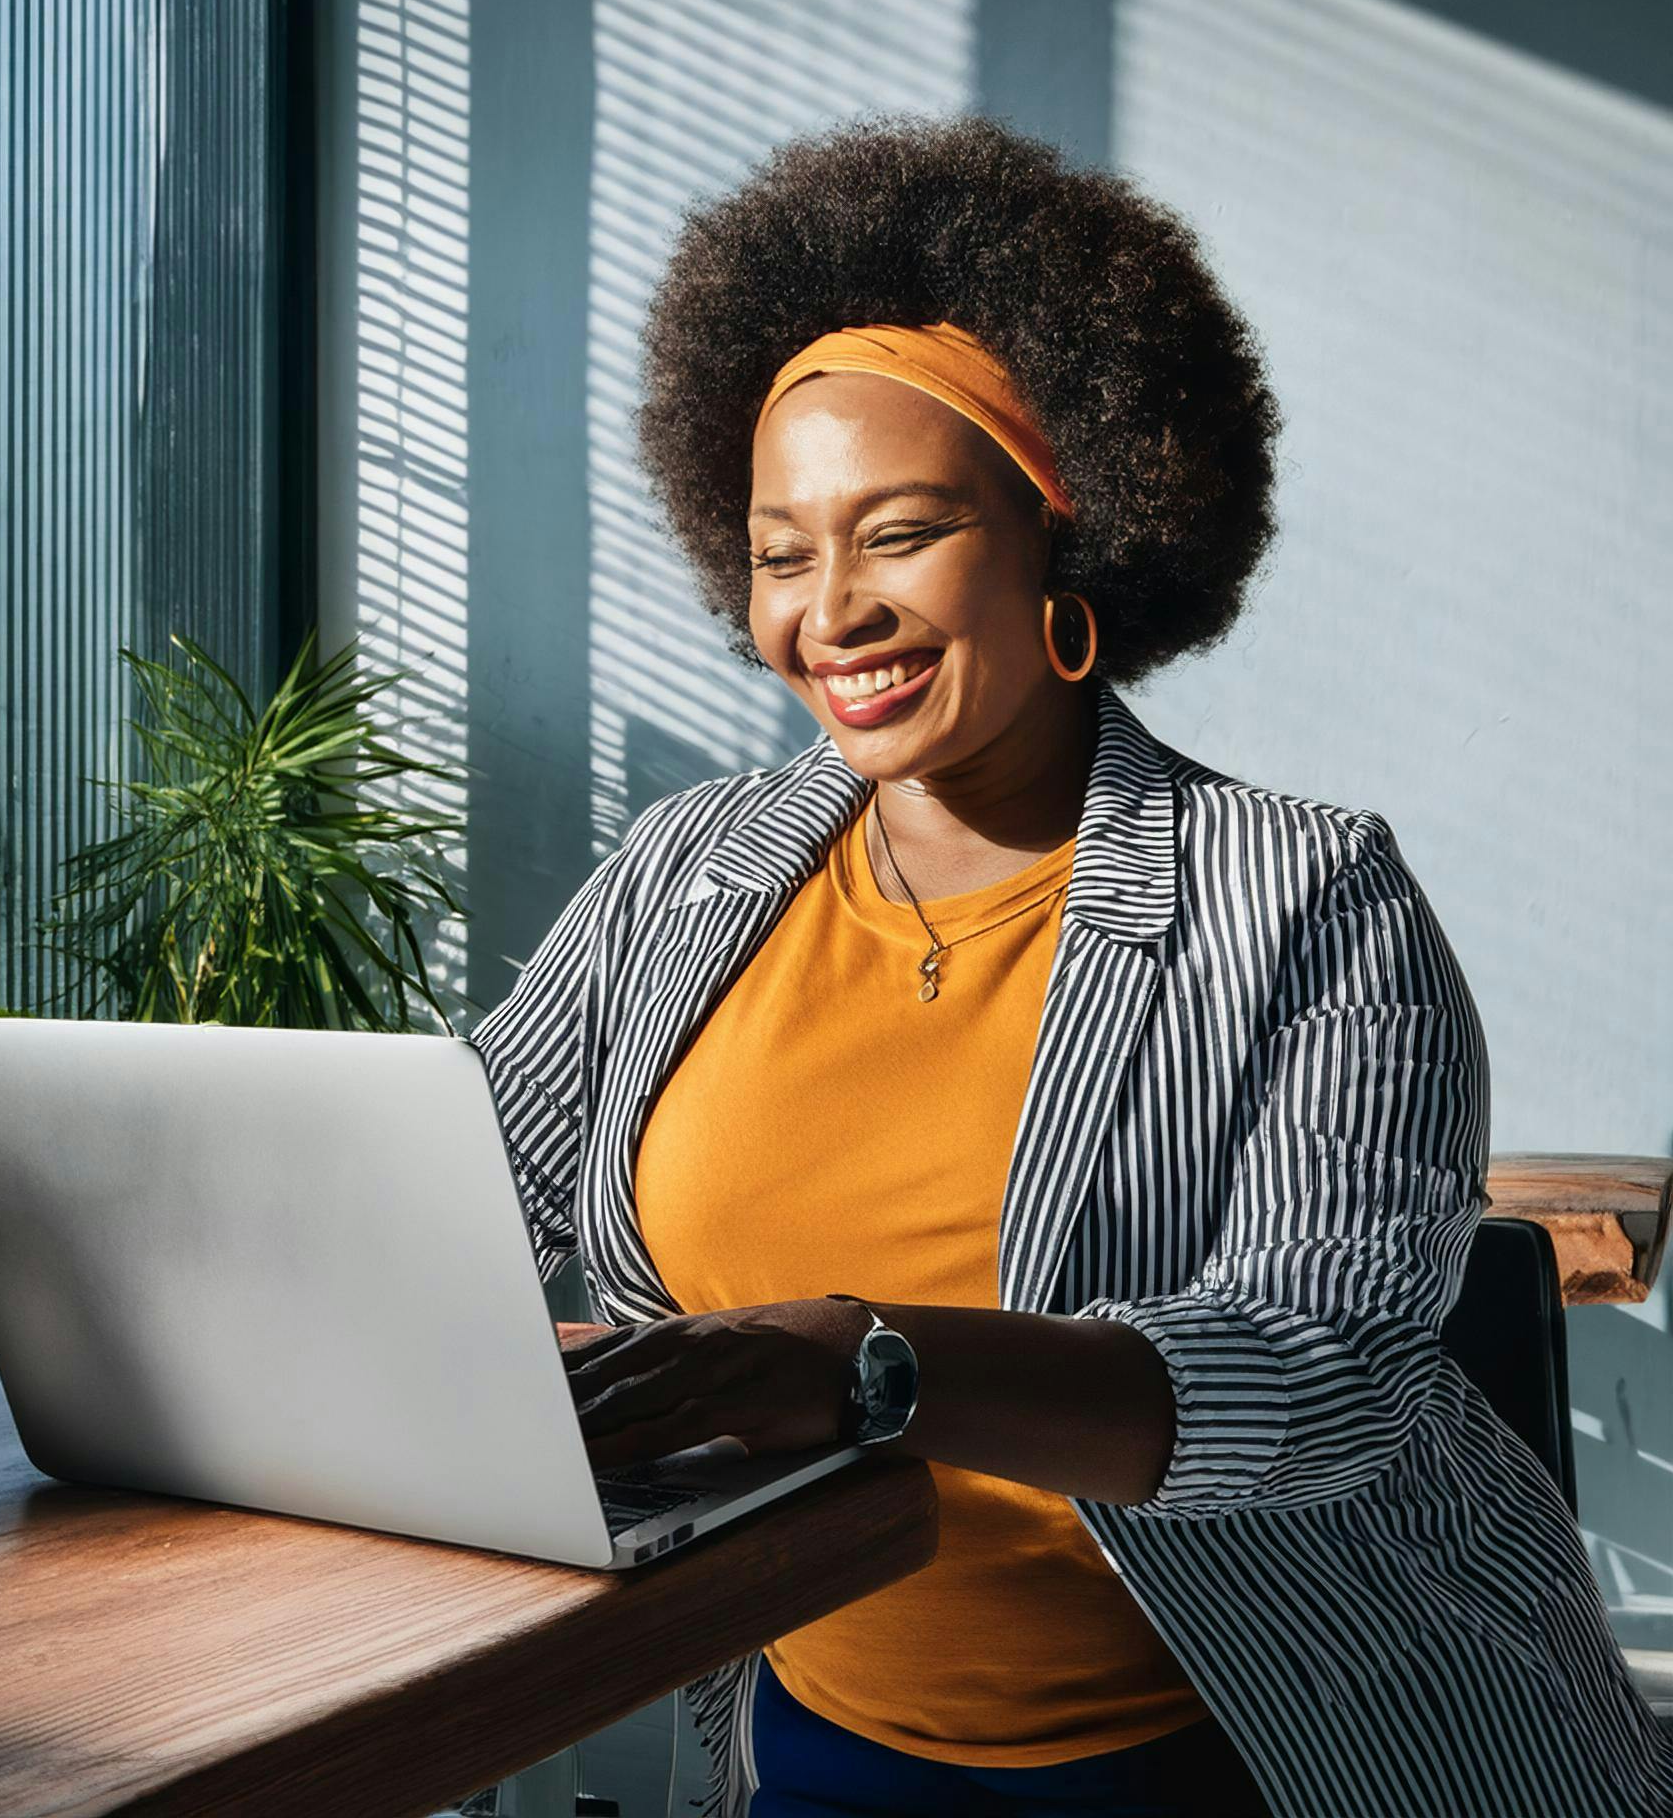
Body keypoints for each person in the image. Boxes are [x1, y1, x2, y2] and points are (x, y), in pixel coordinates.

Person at [471, 116, 1673, 1818]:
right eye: (781, 552)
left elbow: (1326, 1368)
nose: (833, 612)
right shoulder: (687, 875)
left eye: (899, 532)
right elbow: (462, 1197)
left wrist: (873, 1363)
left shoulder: (1307, 897)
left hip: (1283, 1750)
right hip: (819, 1747)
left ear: (1067, 537)